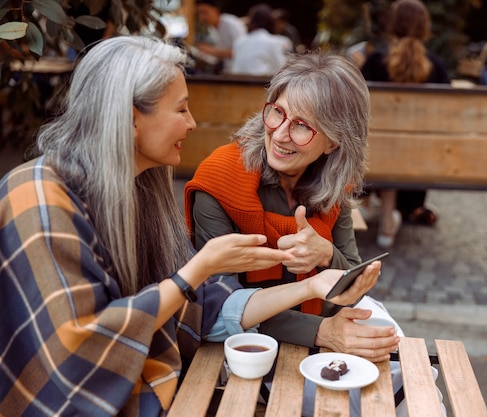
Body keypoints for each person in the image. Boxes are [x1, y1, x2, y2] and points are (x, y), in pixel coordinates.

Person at [0, 35, 381, 417]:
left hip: (165, 381)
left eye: (302, 126)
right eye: (181, 109)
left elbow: (209, 307)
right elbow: (76, 348)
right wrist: (197, 270)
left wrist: (316, 278)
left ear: (332, 144)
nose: (193, 123)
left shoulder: (141, 189)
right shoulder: (35, 196)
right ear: (131, 119)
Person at [185, 53, 423, 416]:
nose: (279, 134)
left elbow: (352, 281)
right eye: (277, 112)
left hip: (322, 320)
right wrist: (324, 332)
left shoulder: (333, 182)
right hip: (249, 341)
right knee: (341, 400)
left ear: (332, 142)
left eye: (301, 126)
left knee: (404, 371)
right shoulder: (220, 179)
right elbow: (220, 307)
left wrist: (325, 254)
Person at [360, 0, 449, 248]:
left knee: (377, 140)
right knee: (397, 146)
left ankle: (370, 206)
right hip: (417, 161)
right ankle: (388, 219)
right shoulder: (436, 67)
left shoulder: (376, 61)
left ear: (392, 25)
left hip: (372, 157)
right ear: (424, 27)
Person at [231, 3, 290, 76]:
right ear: (270, 22)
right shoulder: (273, 42)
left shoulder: (239, 41)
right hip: (258, 84)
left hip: (235, 83)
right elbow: (280, 68)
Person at [193, 0, 246, 73]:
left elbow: (243, 51)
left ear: (216, 10)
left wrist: (212, 51)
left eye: (205, 12)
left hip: (240, 73)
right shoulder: (212, 29)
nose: (202, 17)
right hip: (227, 72)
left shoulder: (231, 24)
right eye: (199, 13)